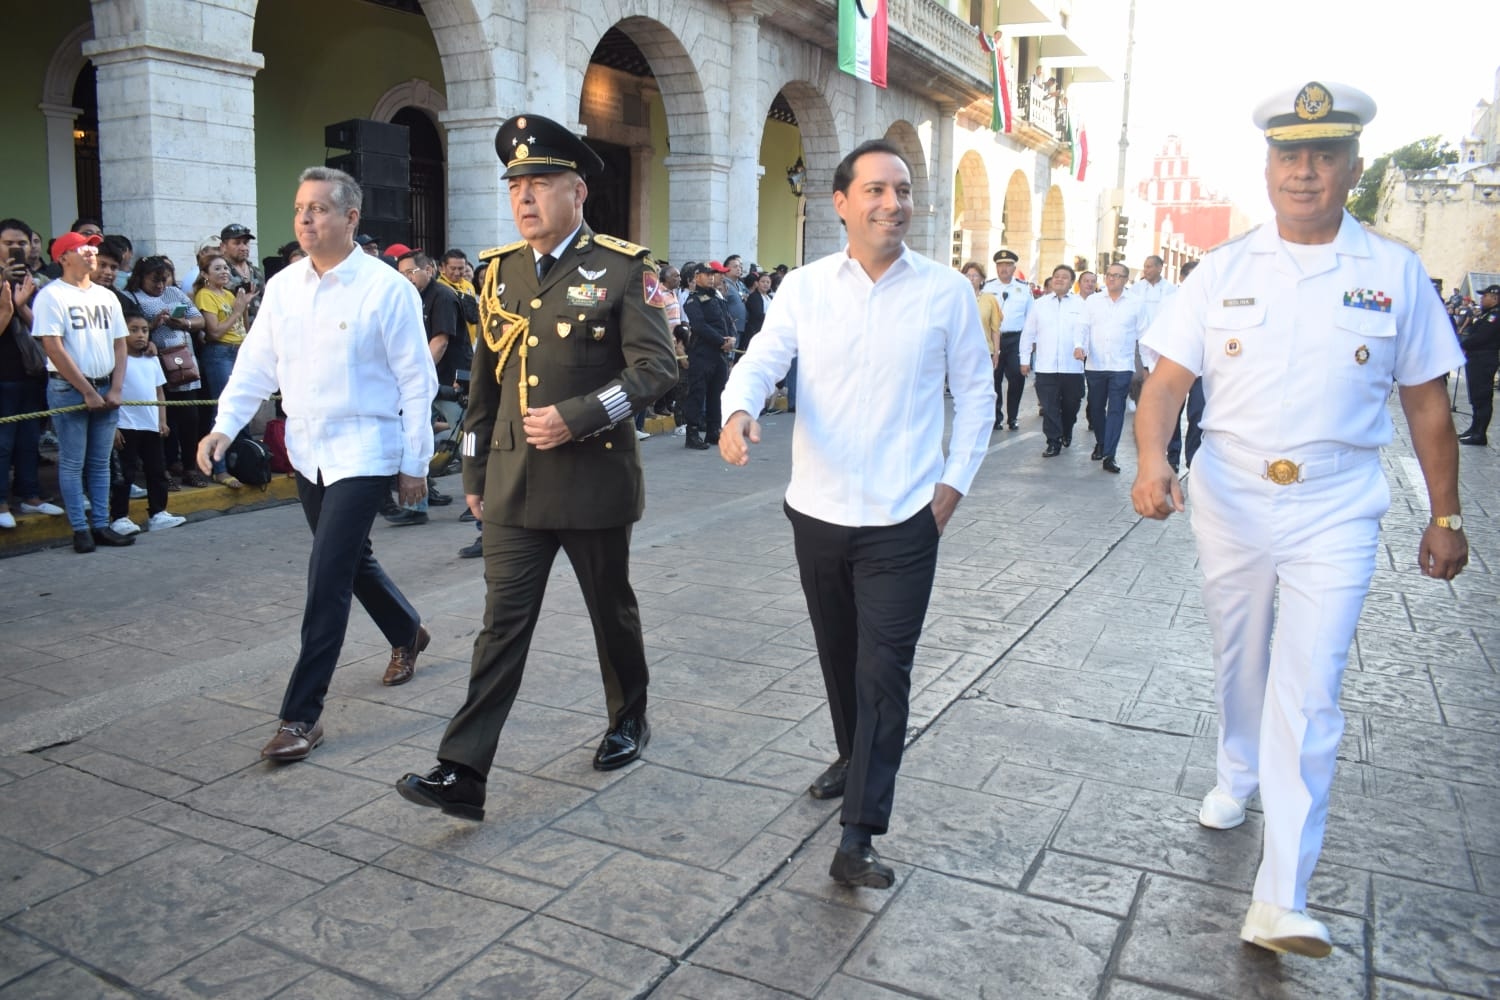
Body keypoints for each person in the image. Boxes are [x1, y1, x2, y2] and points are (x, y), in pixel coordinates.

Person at [1130, 81, 1468, 958]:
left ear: (1354, 168)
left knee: (1310, 689)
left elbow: (1429, 404)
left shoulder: (1392, 272)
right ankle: (1236, 769)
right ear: (1269, 168)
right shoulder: (1225, 268)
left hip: (1338, 503)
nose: (1306, 172)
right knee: (1241, 651)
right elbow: (1166, 384)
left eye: (1324, 155)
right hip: (1233, 496)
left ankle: (1282, 895)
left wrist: (1449, 515)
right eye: (1291, 156)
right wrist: (1152, 459)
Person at [720, 139, 995, 888]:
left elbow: (976, 394)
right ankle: (852, 754)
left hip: (906, 518)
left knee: (884, 672)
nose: (892, 203)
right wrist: (737, 409)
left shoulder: (945, 292)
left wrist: (952, 485)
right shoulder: (805, 288)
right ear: (841, 203)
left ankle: (860, 834)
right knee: (840, 655)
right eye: (875, 189)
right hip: (816, 508)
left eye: (902, 190)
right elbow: (761, 356)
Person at [395, 113, 677, 821]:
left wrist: (581, 414)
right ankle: (462, 770)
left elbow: (657, 370)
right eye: (517, 185)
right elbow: (481, 392)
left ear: (576, 193)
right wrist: (469, 475)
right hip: (513, 485)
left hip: (593, 482)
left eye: (541, 184)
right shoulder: (498, 274)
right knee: (500, 627)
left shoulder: (621, 269)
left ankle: (627, 717)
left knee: (610, 613)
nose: (525, 198)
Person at [199, 165, 437, 763]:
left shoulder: (387, 289)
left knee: (326, 576)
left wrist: (416, 462)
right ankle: (408, 631)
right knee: (352, 562)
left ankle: (301, 715)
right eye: (300, 209)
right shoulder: (282, 286)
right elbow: (255, 363)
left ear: (351, 218)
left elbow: (417, 379)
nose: (306, 220)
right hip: (307, 449)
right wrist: (224, 427)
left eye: (319, 209)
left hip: (365, 447)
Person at [30, 231, 134, 553]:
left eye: (93, 247)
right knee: (73, 462)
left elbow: (120, 343)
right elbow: (53, 346)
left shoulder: (107, 296)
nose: (91, 253)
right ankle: (80, 528)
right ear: (63, 257)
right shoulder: (51, 295)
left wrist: (116, 387)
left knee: (100, 462)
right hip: (69, 389)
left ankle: (101, 524)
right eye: (82, 248)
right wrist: (87, 391)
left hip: (105, 385)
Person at [127, 255, 223, 489]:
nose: (160, 286)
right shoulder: (132, 298)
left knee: (189, 418)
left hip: (184, 362)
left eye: (164, 280)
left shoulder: (174, 293)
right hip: (155, 362)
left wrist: (184, 324)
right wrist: (152, 326)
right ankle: (166, 469)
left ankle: (189, 467)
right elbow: (129, 328)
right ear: (140, 278)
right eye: (154, 281)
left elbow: (199, 320)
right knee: (163, 420)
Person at [107, 313, 185, 535]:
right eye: (133, 330)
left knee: (157, 471)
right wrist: (114, 426)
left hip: (150, 425)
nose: (140, 335)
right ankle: (120, 517)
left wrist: (162, 420)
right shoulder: (116, 359)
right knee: (125, 474)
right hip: (126, 425)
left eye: (144, 330)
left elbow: (159, 391)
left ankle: (158, 513)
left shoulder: (151, 359)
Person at [1082, 263, 1145, 473]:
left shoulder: (1136, 303)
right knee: (1096, 407)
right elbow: (1082, 327)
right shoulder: (1093, 301)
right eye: (1109, 275)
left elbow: (1144, 335)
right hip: (1096, 364)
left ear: (1126, 280)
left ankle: (1110, 454)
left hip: (1121, 365)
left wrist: (1147, 365)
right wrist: (1078, 347)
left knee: (1116, 409)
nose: (1112, 279)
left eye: (1117, 276)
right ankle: (1101, 441)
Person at [1020, 264, 1087, 456]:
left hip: (1072, 367)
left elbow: (1086, 332)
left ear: (1072, 283)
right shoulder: (1039, 304)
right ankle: (1053, 440)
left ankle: (1067, 429)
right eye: (1056, 276)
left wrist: (1082, 348)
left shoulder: (1081, 305)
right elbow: (1028, 334)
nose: (1059, 279)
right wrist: (1024, 359)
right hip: (1046, 366)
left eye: (1064, 277)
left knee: (1071, 405)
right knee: (1049, 406)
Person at [681, 260, 735, 450]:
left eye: (713, 274)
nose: (711, 278)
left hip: (719, 354)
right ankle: (692, 433)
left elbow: (727, 321)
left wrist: (731, 339)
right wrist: (722, 341)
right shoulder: (692, 300)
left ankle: (714, 430)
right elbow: (700, 326)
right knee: (697, 393)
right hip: (702, 353)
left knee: (716, 393)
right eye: (707, 274)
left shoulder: (716, 298)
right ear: (697, 277)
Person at [983, 249, 1032, 430]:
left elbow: (1030, 317)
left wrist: (1030, 344)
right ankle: (996, 417)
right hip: (994, 339)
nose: (1003, 269)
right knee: (993, 379)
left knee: (1017, 379)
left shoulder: (1024, 288)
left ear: (1014, 268)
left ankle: (1013, 416)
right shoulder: (987, 288)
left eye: (1007, 265)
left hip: (1016, 340)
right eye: (1000, 265)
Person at [1456, 283, 1499, 445]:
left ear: (1495, 298)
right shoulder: (1486, 314)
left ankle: (1480, 433)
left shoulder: (1494, 316)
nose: (1482, 299)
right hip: (1477, 359)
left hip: (1484, 359)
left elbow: (1482, 337)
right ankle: (1474, 429)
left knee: (1482, 397)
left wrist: (1463, 345)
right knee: (1475, 397)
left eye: (1485, 296)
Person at [961, 262, 1003, 377]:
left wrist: (996, 353)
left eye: (974, 275)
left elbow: (995, 329)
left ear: (982, 279)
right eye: (967, 275)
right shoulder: (957, 298)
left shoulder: (990, 299)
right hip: (961, 351)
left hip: (984, 351)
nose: (971, 279)